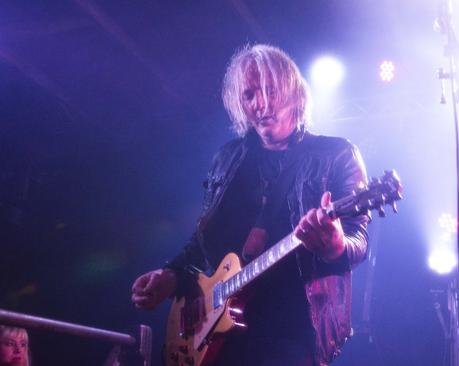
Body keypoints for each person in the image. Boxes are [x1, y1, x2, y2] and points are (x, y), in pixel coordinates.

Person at [131, 44, 369, 366]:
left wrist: (335, 245)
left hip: (291, 331)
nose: (261, 103)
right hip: (219, 336)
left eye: (271, 90)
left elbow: (358, 240)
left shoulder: (336, 155)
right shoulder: (228, 159)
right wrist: (170, 275)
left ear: (295, 92)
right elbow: (201, 245)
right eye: (250, 94)